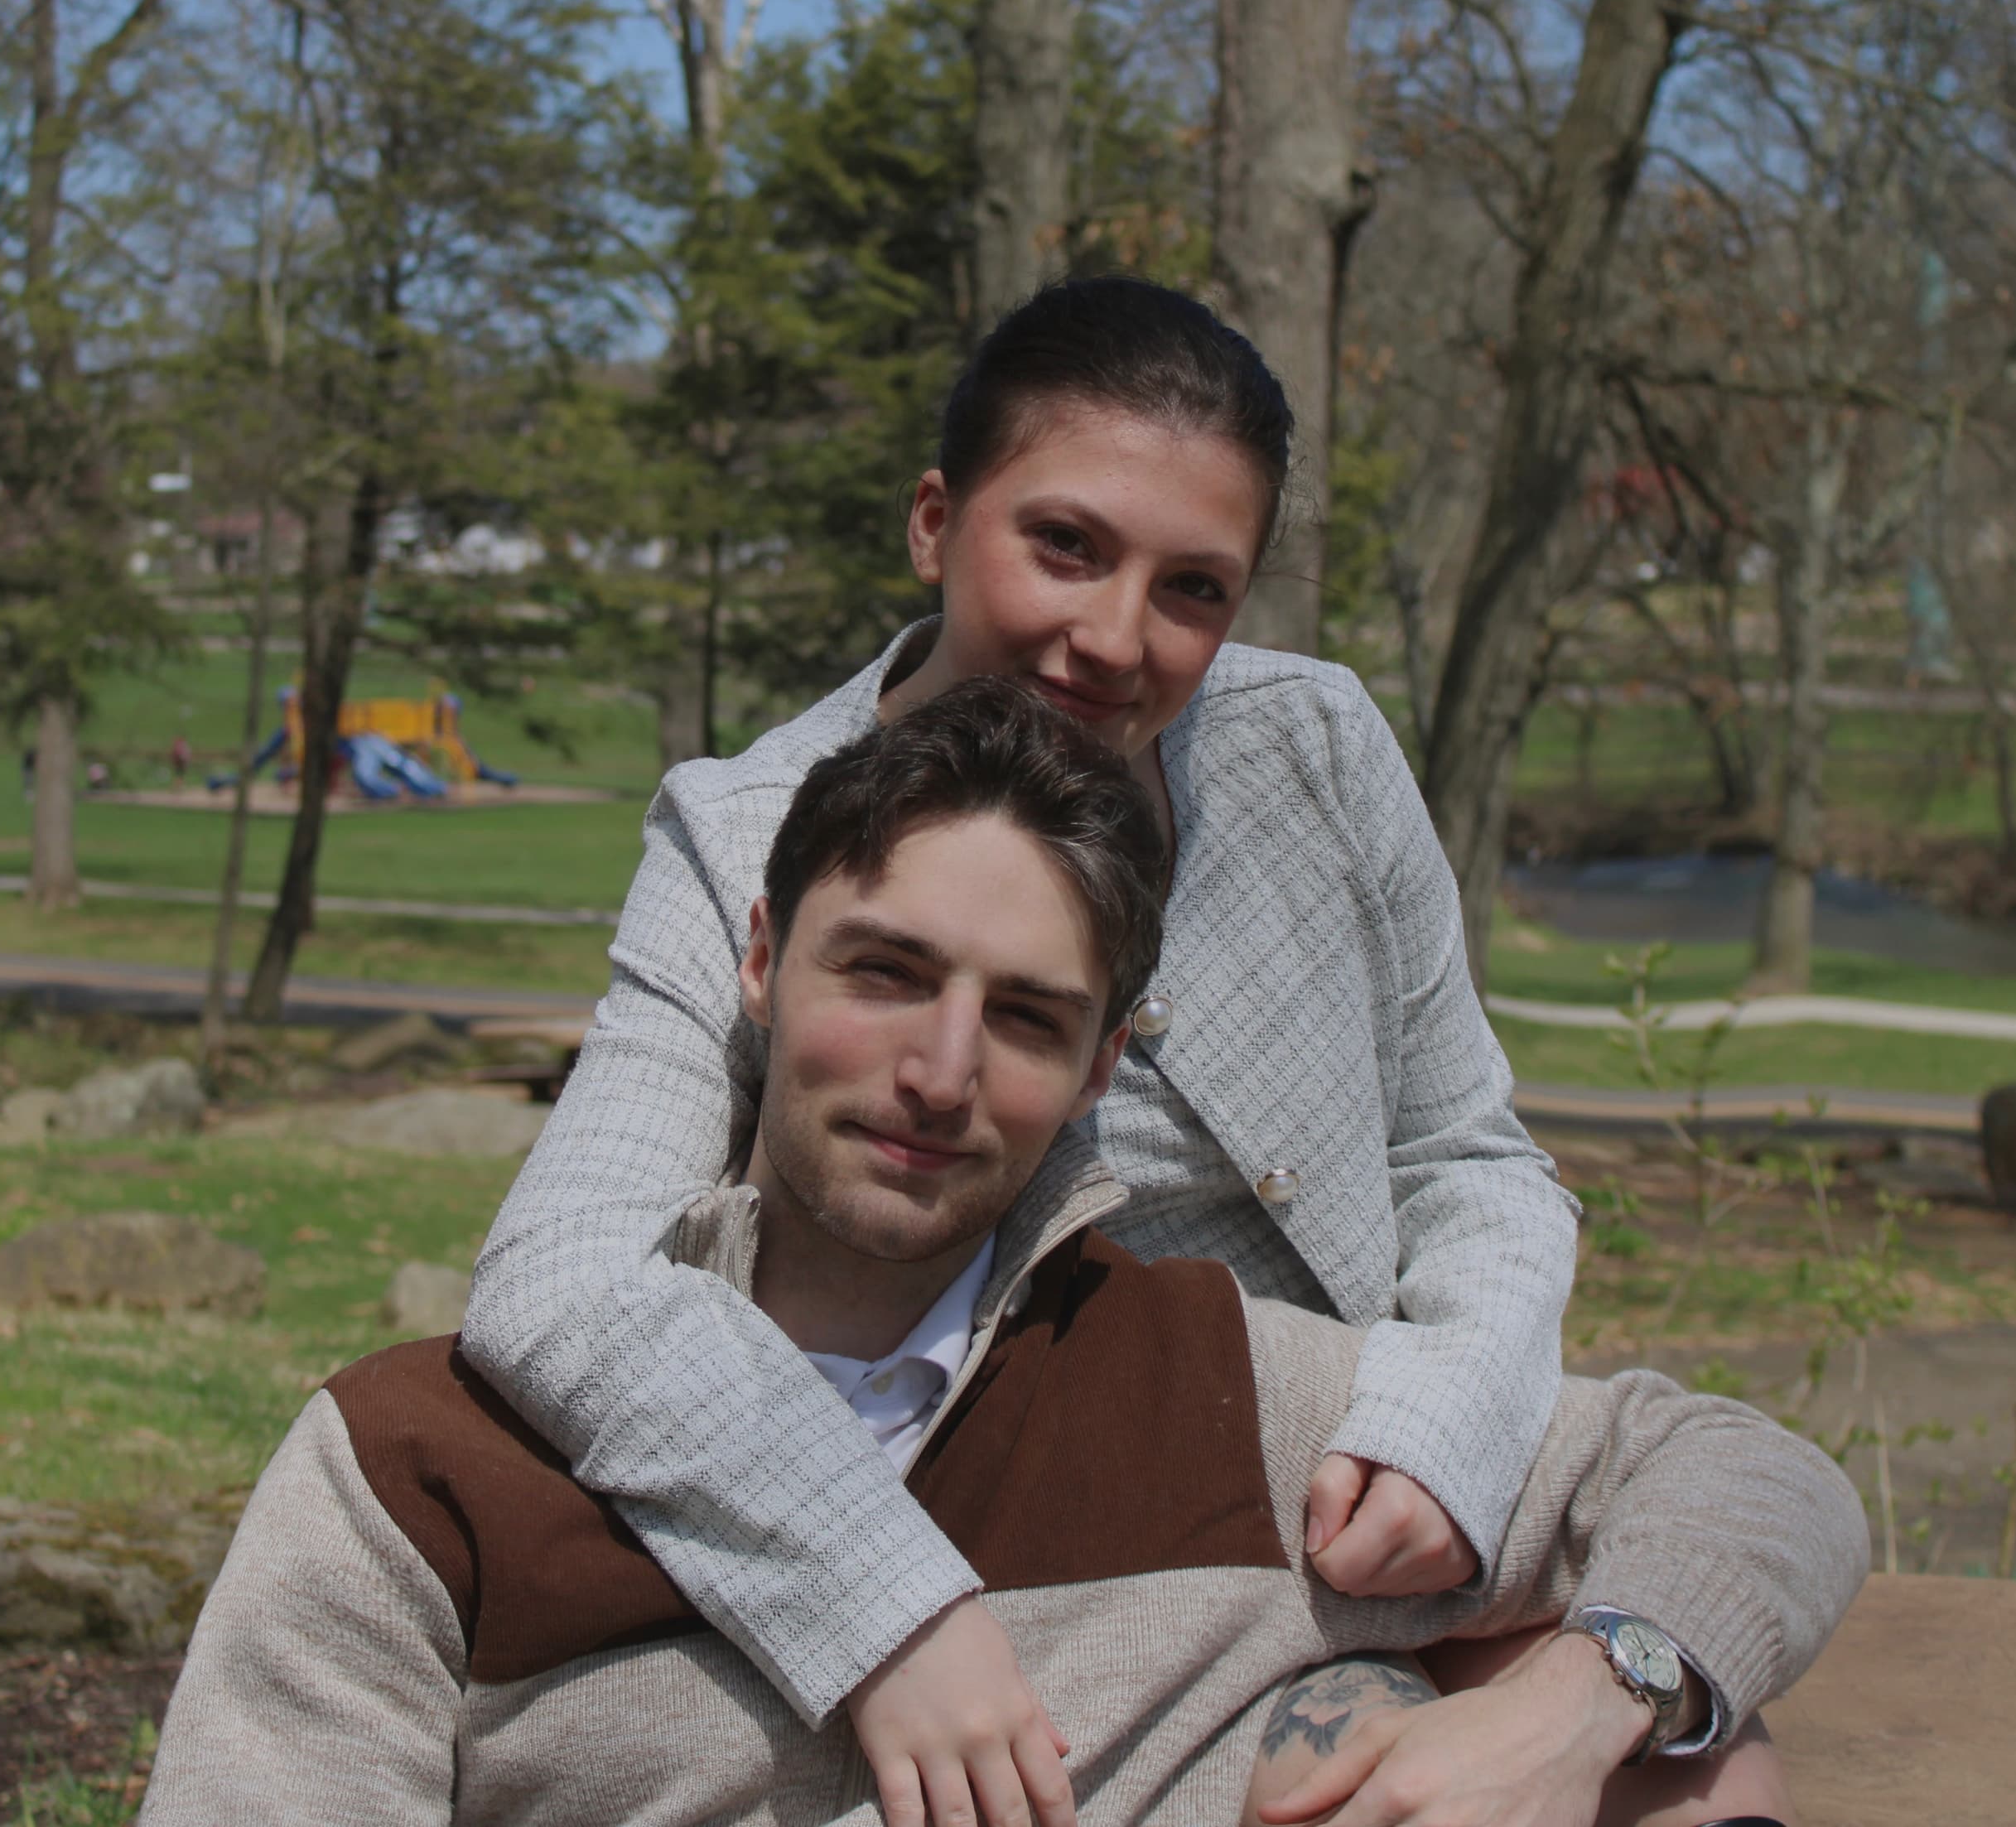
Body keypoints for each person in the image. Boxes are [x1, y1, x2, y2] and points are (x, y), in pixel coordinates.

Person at [144, 687, 1864, 1827]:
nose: (942, 1072)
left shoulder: (1214, 1382)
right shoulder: (420, 1470)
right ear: (757, 957)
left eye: (1028, 1015)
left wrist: (1577, 1703)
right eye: (884, 971)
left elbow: (1743, 1472)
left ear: (1106, 1063)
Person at [459, 277, 1581, 1824]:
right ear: (935, 521)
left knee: (1693, 1756)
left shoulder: (1313, 750)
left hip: (1345, 1510)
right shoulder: (743, 832)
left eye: (1194, 588)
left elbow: (1468, 1157)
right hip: (1009, 1565)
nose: (1114, 638)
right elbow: (564, 1274)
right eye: (1064, 546)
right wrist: (880, 1600)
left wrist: (1450, 1412)